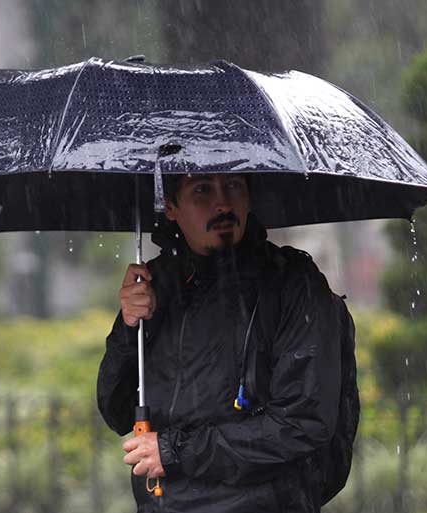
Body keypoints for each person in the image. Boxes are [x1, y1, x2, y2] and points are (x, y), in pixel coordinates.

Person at [97, 172, 358, 512]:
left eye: (234, 186)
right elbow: (116, 410)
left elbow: (302, 423)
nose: (222, 203)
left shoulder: (293, 284)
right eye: (202, 189)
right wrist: (129, 326)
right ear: (171, 206)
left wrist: (175, 450)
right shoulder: (155, 286)